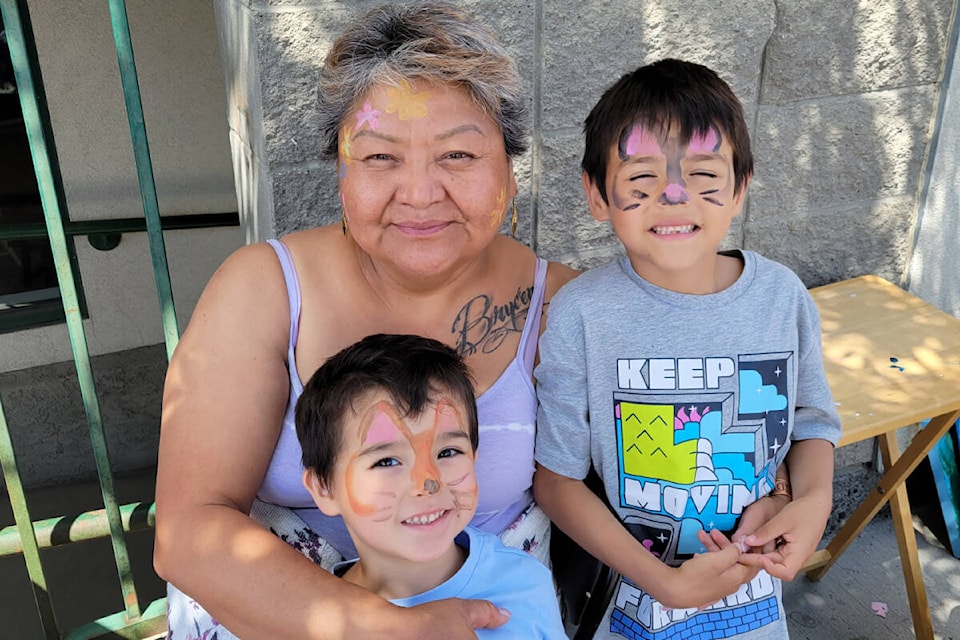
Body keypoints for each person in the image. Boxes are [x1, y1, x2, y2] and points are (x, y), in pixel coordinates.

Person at [153, 4, 578, 639]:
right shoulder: (263, 289)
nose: (420, 192)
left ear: (510, 172)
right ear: (341, 171)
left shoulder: (558, 304)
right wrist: (382, 629)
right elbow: (188, 531)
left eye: (458, 155)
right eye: (381, 158)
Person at [532, 58, 842, 639]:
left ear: (740, 189)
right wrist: (663, 581)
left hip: (756, 609)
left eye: (703, 178)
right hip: (627, 607)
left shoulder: (782, 296)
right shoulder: (582, 312)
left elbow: (812, 423)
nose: (674, 197)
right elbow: (556, 480)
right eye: (642, 182)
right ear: (597, 194)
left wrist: (815, 501)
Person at [295, 333, 566, 639]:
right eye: (386, 462)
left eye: (448, 453)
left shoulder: (525, 585)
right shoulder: (318, 624)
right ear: (324, 488)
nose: (428, 482)